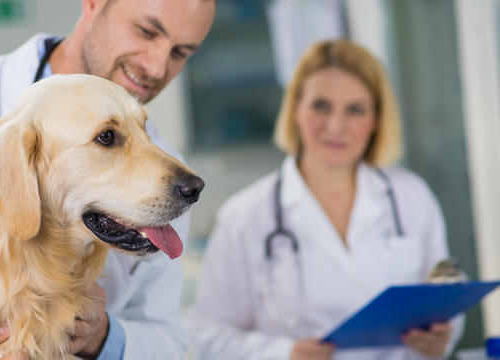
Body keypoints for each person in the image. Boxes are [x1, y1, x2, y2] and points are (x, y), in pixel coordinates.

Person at [0, 0, 216, 359]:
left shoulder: (170, 174)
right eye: (146, 31)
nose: (156, 67)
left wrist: (103, 337)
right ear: (93, 4)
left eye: (181, 52)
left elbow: (167, 338)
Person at [185, 39, 464, 360]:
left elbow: (444, 295)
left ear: (376, 120)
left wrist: (444, 337)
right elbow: (207, 333)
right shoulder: (244, 216)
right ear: (295, 110)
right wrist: (283, 353)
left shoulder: (411, 196)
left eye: (355, 110)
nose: (335, 126)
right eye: (321, 106)